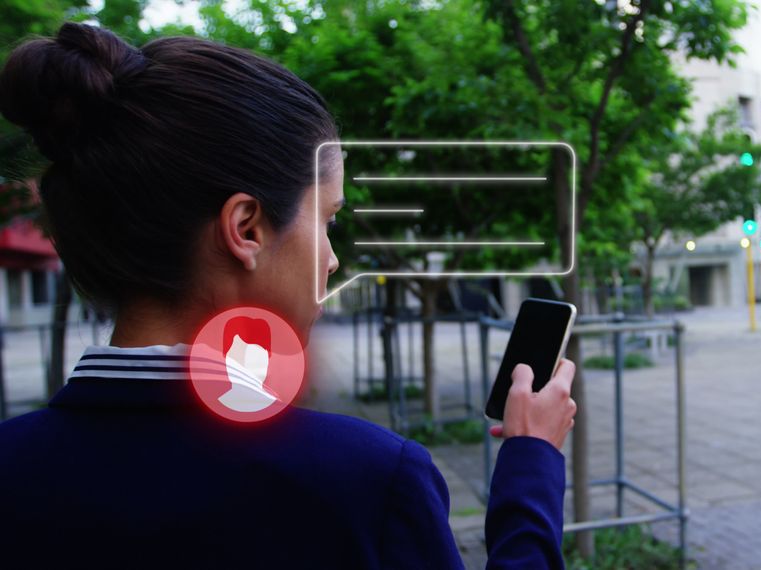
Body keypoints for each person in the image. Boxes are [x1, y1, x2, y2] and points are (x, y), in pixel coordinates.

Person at [0, 22, 577, 568]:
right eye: (325, 219)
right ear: (246, 228)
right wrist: (531, 467)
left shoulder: (15, 467)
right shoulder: (366, 479)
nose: (332, 258)